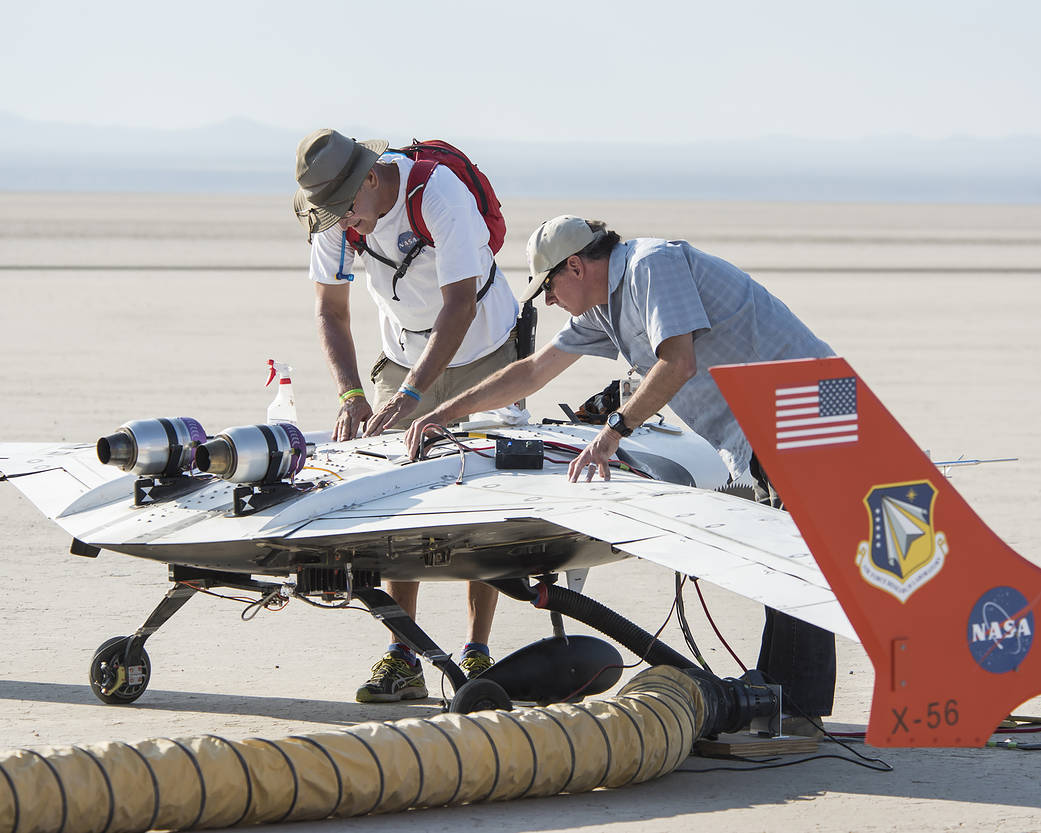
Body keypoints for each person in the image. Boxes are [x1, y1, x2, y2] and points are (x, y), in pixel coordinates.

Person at [405, 215, 837, 732]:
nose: (546, 301)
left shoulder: (652, 266)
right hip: (768, 425)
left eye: (548, 287)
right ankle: (783, 701)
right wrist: (444, 413)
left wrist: (612, 433)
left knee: (792, 559)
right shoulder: (603, 309)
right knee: (784, 559)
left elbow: (678, 363)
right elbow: (533, 371)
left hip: (809, 409)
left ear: (575, 266)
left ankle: (797, 709)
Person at [293, 129, 519, 703]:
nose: (345, 224)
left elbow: (461, 303)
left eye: (347, 210)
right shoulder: (335, 219)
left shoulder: (437, 193)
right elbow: (331, 311)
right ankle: (404, 652)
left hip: (483, 351)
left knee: (484, 496)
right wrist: (350, 395)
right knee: (396, 500)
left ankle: (477, 648)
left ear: (371, 178)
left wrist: (416, 394)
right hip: (403, 355)